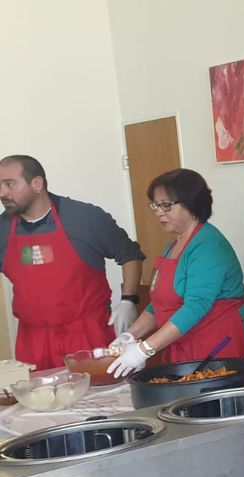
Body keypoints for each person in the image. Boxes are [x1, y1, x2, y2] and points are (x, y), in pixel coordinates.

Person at [0, 155, 144, 370]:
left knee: (98, 391)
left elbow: (130, 255)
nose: (2, 193)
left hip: (87, 334)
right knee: (39, 392)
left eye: (10, 184)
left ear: (37, 184)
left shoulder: (84, 217)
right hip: (32, 341)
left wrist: (128, 300)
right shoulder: (3, 229)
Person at [108, 169, 244, 375]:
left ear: (192, 204)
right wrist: (130, 335)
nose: (159, 212)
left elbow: (196, 306)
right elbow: (160, 304)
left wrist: (144, 349)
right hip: (184, 345)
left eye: (166, 205)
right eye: (155, 205)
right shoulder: (173, 246)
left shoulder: (207, 246)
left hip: (218, 344)